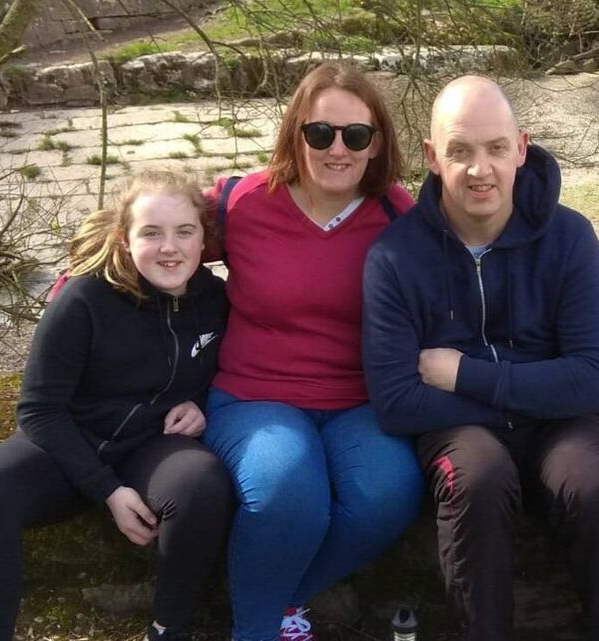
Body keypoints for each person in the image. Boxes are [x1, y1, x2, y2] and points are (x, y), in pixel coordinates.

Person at [362, 75, 599, 641]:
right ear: (430, 157)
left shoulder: (569, 237)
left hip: (558, 424)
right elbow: (397, 402)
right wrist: (530, 392)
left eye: (496, 149)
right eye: (460, 151)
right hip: (459, 430)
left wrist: (465, 374)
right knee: (479, 478)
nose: (481, 169)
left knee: (594, 489)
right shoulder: (395, 257)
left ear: (521, 148)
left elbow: (593, 381)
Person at [0, 169, 233, 641]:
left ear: (205, 238)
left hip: (152, 444)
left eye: (185, 231)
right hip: (70, 442)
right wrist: (108, 490)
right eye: (152, 233)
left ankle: (168, 630)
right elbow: (39, 408)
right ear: (125, 240)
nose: (170, 247)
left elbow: (242, 366)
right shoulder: (85, 297)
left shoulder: (217, 300)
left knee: (202, 484)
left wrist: (205, 401)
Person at [200, 62, 423, 641]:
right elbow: (150, 232)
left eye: (356, 135)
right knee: (285, 491)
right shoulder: (243, 202)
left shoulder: (399, 214)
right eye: (320, 133)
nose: (337, 149)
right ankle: (253, 631)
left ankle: (281, 599)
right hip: (255, 394)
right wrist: (77, 289)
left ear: (377, 144)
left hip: (359, 400)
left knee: (388, 494)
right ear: (295, 133)